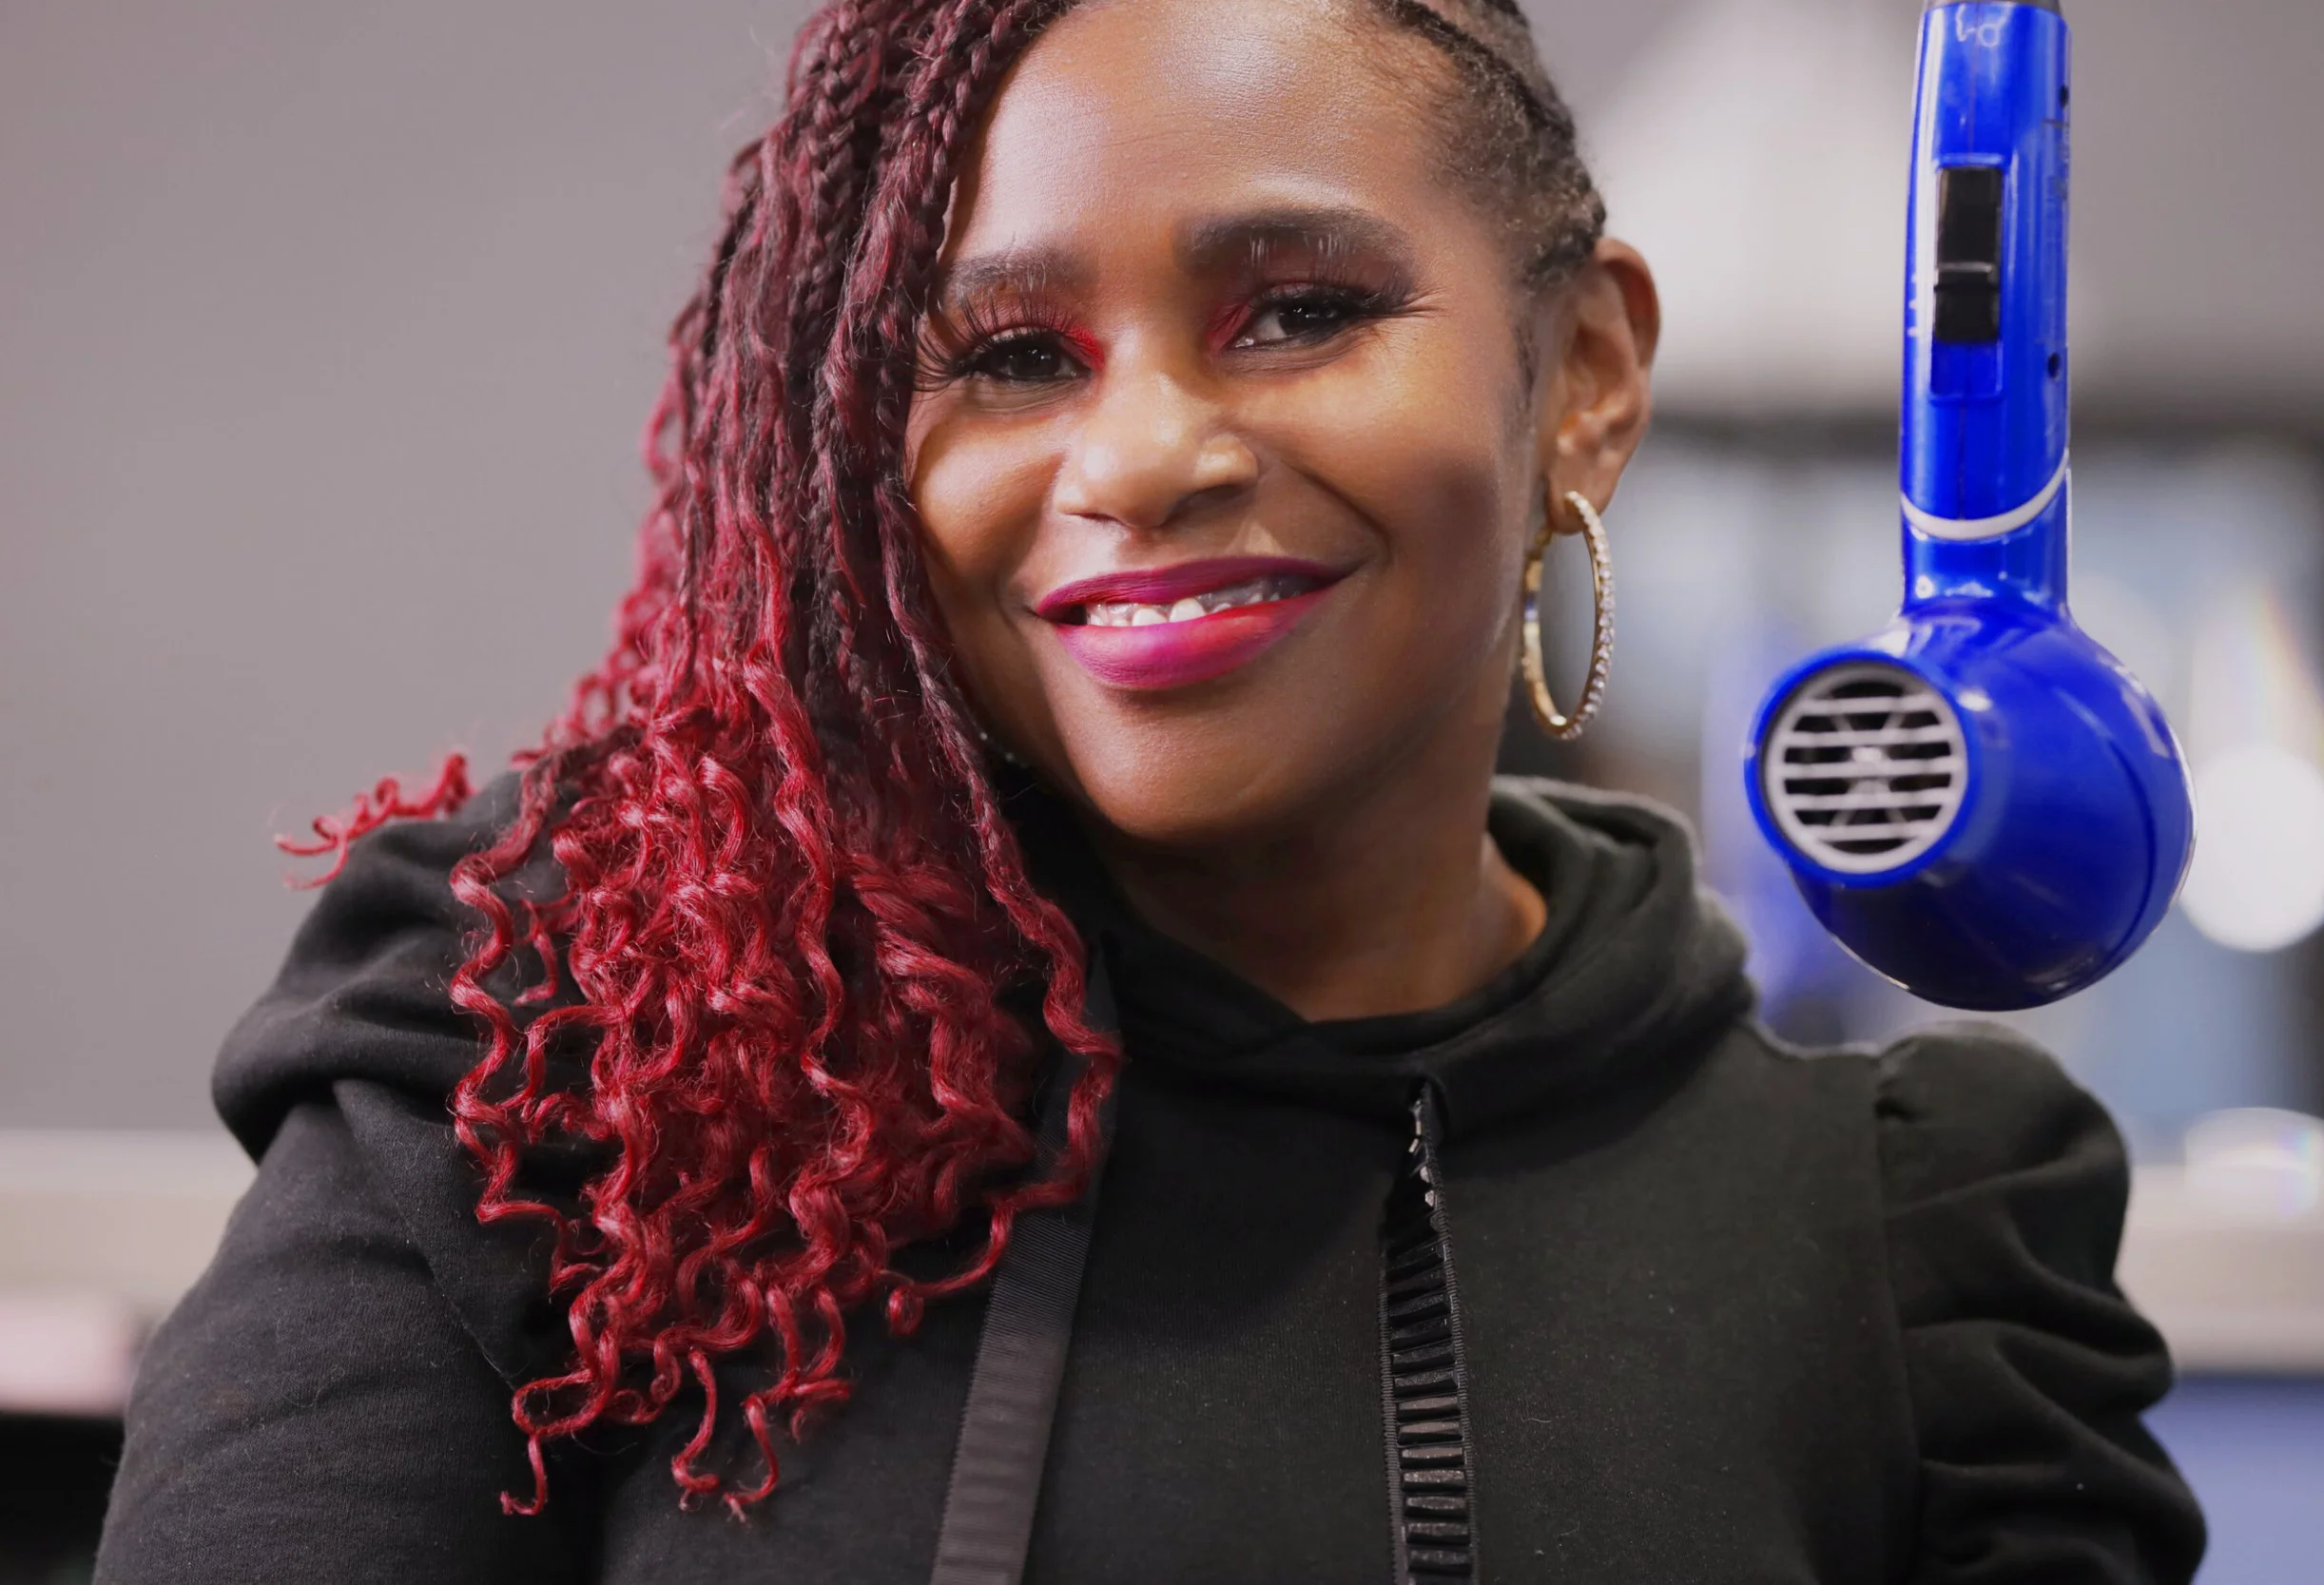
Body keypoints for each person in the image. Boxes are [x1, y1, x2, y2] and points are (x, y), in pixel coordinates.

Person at [95, 0, 2206, 1580]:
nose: (1140, 460)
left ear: (1582, 372)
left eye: (1296, 313)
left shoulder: (1908, 1245)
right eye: (1011, 356)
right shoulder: (569, 1055)